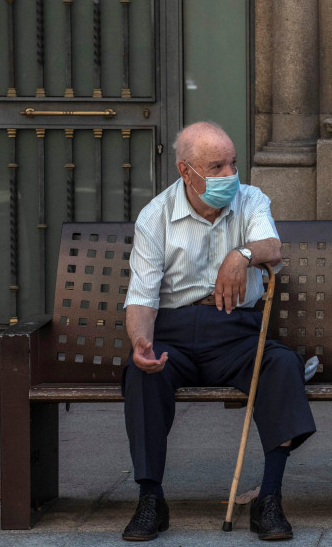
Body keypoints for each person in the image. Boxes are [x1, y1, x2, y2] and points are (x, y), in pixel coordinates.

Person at [122, 122, 316, 541]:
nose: (230, 174)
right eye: (216, 166)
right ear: (185, 171)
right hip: (173, 332)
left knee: (281, 365)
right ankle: (150, 498)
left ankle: (269, 498)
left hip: (236, 334)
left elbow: (272, 248)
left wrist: (241, 254)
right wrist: (141, 341)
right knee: (141, 373)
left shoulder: (251, 200)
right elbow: (141, 295)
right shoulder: (155, 215)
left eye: (233, 163)